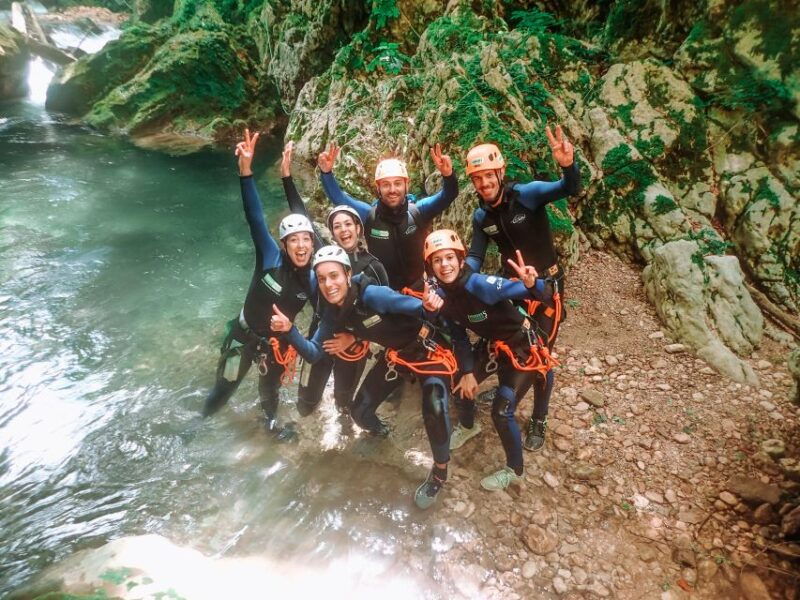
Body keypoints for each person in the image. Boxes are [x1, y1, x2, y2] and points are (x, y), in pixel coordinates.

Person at [271, 245, 470, 509]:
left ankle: (439, 472)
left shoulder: (373, 295)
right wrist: (289, 330)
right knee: (359, 413)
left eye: (334, 276)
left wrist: (431, 306)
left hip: (426, 351)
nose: (329, 284)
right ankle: (384, 434)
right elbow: (314, 353)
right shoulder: (331, 312)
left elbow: (420, 310)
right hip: (396, 356)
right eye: (322, 279)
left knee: (434, 408)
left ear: (347, 273)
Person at [465, 125, 580, 452]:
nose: (485, 183)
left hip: (545, 286)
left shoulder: (527, 195)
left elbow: (568, 187)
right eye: (478, 178)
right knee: (503, 339)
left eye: (489, 175)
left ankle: (539, 417)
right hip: (512, 287)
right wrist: (460, 278)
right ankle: (509, 388)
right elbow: (475, 255)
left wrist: (567, 164)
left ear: (501, 173)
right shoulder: (481, 216)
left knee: (540, 352)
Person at [201, 130, 315, 440]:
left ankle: (269, 428)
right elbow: (255, 217)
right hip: (243, 335)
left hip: (275, 344)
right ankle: (197, 426)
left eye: (306, 240)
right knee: (223, 391)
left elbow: (329, 309)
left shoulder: (315, 276)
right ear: (284, 244)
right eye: (294, 240)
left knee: (270, 395)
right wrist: (246, 171)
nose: (302, 246)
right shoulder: (270, 257)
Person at [421, 230, 557, 490]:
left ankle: (514, 470)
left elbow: (542, 294)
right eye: (437, 260)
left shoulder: (480, 285)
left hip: (522, 348)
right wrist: (469, 371)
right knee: (459, 381)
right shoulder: (442, 297)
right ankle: (468, 425)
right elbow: (459, 338)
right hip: (493, 346)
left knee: (501, 412)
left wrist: (531, 283)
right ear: (431, 267)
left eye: (449, 257)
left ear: (461, 260)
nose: (445, 265)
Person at [278, 141, 389, 419]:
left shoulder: (373, 268)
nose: (343, 230)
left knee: (343, 400)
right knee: (306, 400)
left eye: (348, 224)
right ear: (331, 233)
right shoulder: (322, 256)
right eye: (336, 226)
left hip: (354, 342)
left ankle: (343, 429)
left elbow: (385, 315)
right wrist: (286, 178)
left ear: (358, 229)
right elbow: (300, 216)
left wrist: (354, 336)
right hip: (321, 333)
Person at [316, 142, 458, 292]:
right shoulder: (369, 216)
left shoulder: (418, 211)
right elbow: (340, 199)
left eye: (397, 183)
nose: (392, 190)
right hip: (387, 292)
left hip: (420, 287)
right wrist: (326, 174)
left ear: (406, 185)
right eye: (385, 185)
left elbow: (447, 196)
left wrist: (448, 175)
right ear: (378, 188)